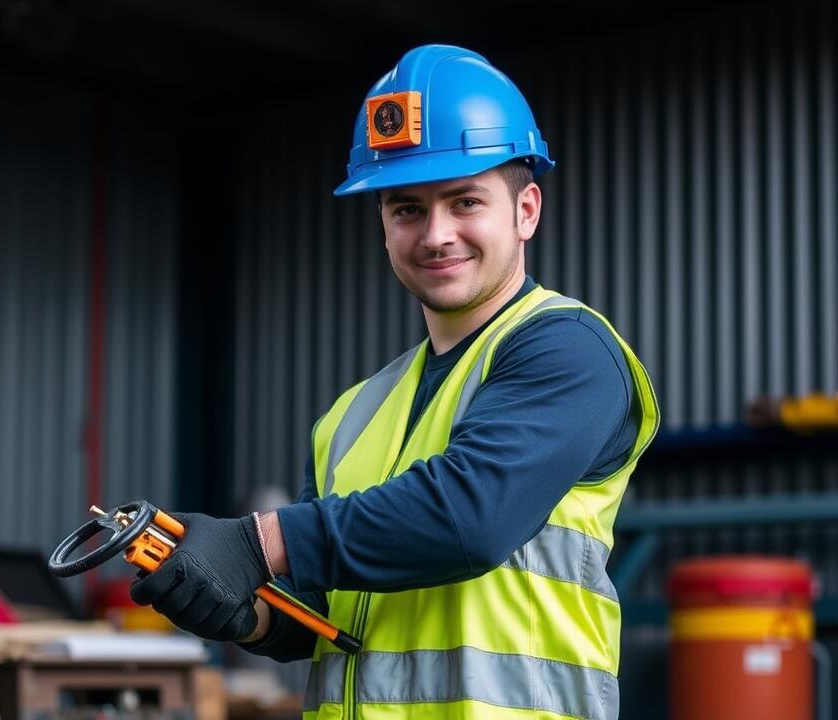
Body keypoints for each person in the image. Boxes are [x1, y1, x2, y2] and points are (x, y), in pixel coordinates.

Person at [130, 44, 659, 720]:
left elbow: (469, 518)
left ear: (526, 211)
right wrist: (243, 613)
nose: (437, 234)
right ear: (383, 226)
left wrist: (253, 542)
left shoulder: (569, 350)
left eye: (465, 201)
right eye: (407, 209)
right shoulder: (351, 415)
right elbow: (317, 619)